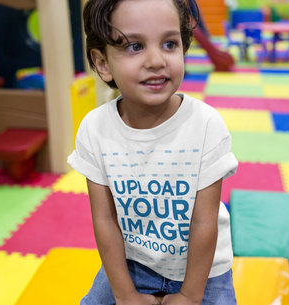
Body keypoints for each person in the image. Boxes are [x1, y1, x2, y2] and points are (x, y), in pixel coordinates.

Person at [68, 0, 239, 304]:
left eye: (170, 43)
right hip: (134, 264)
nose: (157, 60)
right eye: (135, 46)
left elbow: (204, 222)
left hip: (204, 269)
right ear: (103, 63)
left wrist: (189, 295)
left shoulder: (206, 125)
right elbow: (105, 219)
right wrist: (124, 295)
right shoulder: (95, 130)